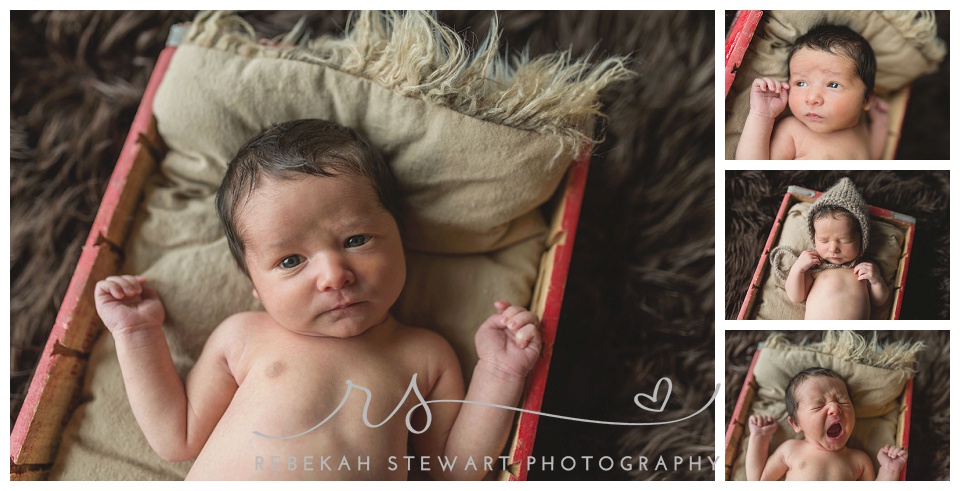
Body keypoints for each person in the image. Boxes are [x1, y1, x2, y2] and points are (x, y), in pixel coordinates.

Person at [94, 119, 542, 480]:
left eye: (356, 238)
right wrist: (136, 333)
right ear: (254, 282)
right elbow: (178, 436)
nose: (332, 275)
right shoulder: (244, 336)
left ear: (400, 237)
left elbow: (452, 471)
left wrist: (499, 373)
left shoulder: (424, 355)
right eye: (290, 261)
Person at [736, 24, 889, 160]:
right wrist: (762, 115)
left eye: (833, 85)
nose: (812, 98)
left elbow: (872, 158)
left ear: (866, 99)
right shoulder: (793, 131)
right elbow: (752, 170)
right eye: (801, 83)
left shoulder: (860, 127)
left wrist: (880, 125)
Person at [746, 367, 908, 480]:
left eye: (842, 401)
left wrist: (889, 470)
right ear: (795, 424)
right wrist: (759, 437)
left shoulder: (859, 460)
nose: (834, 408)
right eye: (818, 405)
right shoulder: (791, 450)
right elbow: (758, 480)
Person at [772, 177, 889, 319]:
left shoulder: (864, 268)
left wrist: (876, 280)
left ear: (862, 238)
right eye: (824, 240)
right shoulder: (816, 268)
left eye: (844, 240)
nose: (833, 248)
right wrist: (798, 268)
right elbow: (796, 296)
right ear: (814, 237)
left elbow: (879, 301)